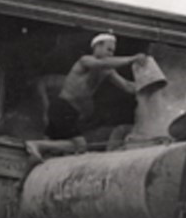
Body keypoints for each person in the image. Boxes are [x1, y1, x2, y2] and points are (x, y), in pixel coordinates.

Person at [26, 33, 145, 162]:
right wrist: (132, 59)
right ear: (97, 47)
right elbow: (100, 64)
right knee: (80, 145)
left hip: (72, 112)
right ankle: (36, 145)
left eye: (113, 52)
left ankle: (35, 158)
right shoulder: (85, 61)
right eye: (108, 50)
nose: (111, 54)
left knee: (50, 148)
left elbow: (127, 86)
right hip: (63, 107)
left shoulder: (107, 70)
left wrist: (145, 85)